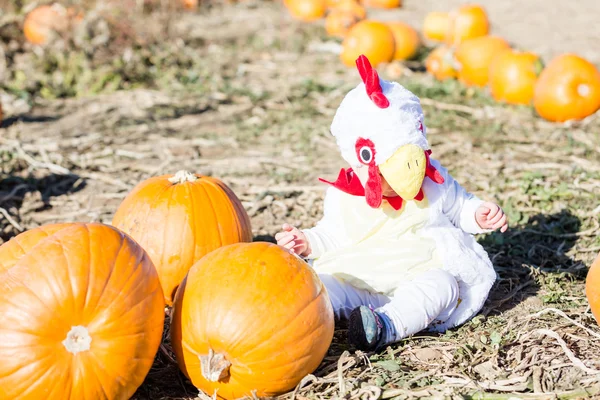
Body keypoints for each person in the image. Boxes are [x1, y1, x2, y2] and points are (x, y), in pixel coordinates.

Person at [275, 55, 508, 351]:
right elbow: (332, 235)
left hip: (415, 273)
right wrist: (305, 241)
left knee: (442, 285)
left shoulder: (432, 182)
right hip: (358, 275)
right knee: (321, 285)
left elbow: (459, 206)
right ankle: (297, 319)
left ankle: (387, 324)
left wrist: (478, 214)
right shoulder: (344, 194)